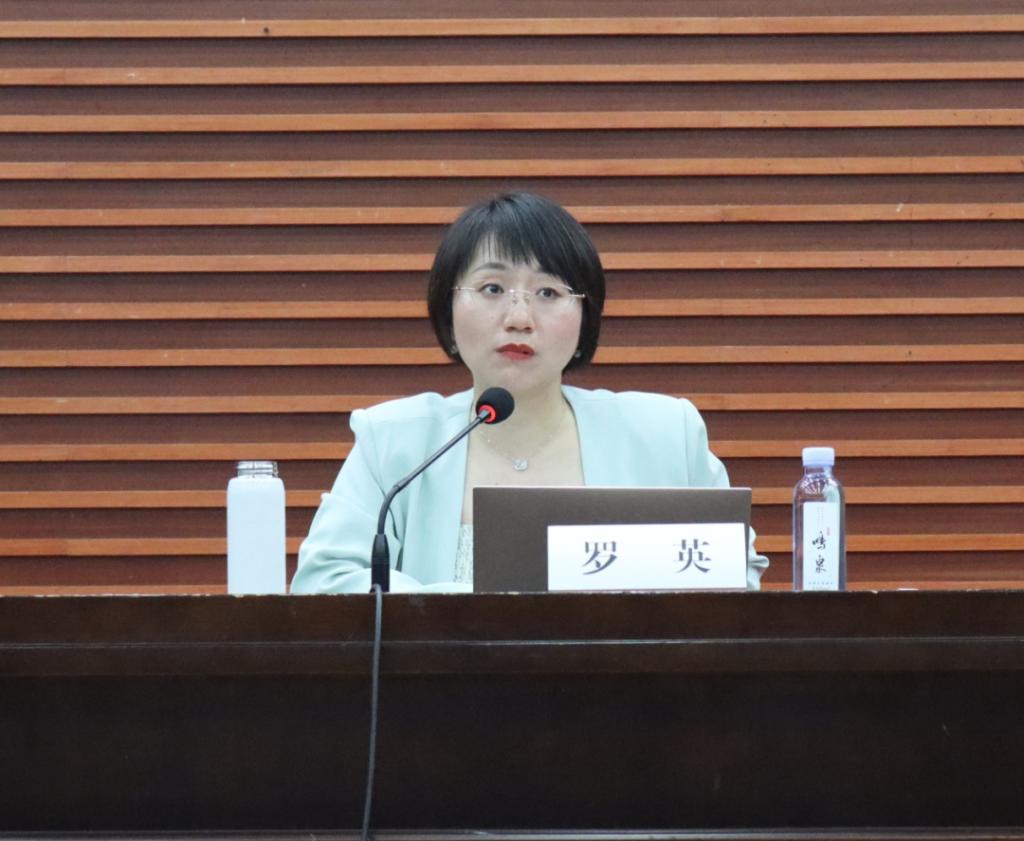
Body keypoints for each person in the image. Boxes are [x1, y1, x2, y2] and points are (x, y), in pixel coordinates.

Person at [291, 192, 768, 593]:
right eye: (492, 288)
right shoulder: (395, 442)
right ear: (448, 309)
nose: (519, 318)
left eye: (548, 293)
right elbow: (323, 583)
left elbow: (736, 580)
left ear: (584, 320)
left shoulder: (665, 436)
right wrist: (480, 609)